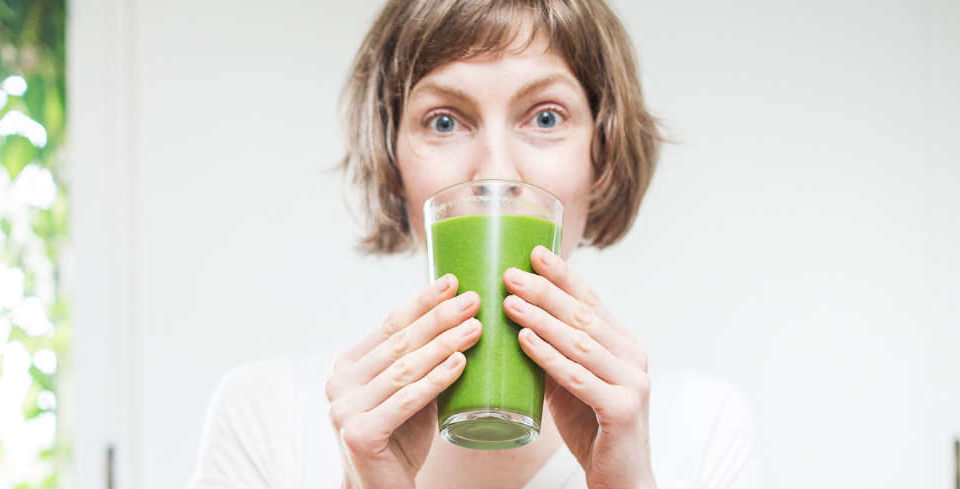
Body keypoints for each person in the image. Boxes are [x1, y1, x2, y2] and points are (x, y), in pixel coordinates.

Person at [186, 1, 762, 488]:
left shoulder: (704, 429)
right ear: (392, 164)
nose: (494, 172)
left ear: (602, 155)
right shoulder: (265, 418)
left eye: (544, 116)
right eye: (443, 121)